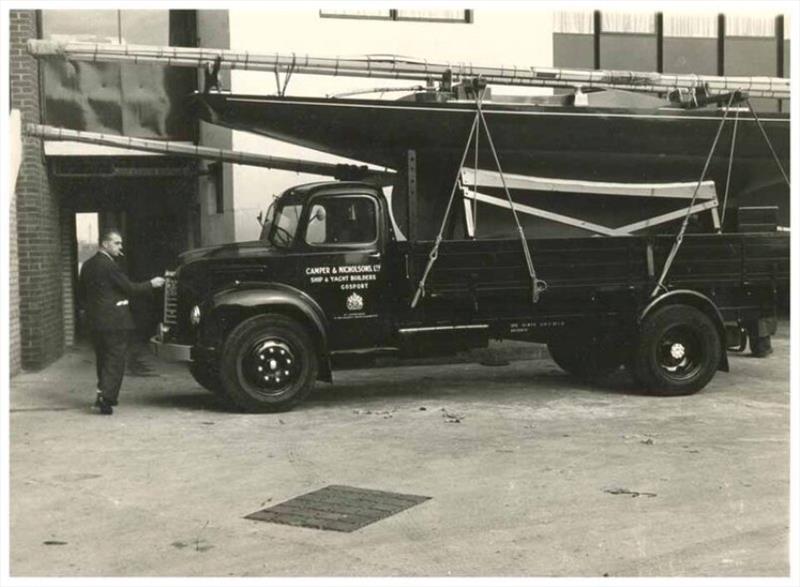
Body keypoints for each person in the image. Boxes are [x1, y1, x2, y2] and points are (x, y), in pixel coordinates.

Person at [78, 229, 165, 415]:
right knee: (115, 359)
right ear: (105, 244)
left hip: (95, 322)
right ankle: (106, 398)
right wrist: (152, 283)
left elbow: (82, 295)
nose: (120, 247)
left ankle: (101, 393)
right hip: (115, 321)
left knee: (103, 359)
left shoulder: (87, 265)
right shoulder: (110, 266)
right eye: (117, 243)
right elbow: (130, 288)